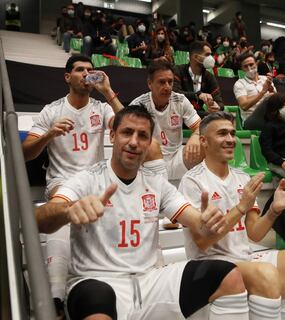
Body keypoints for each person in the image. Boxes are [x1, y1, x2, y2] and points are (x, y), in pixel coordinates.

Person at [35, 105, 249, 320]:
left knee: (228, 275)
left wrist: (205, 222)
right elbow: (41, 219)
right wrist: (68, 211)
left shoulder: (157, 184)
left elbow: (196, 222)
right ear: (112, 136)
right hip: (98, 281)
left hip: (150, 281)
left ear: (149, 144)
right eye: (127, 132)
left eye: (143, 136)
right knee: (96, 304)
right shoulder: (87, 178)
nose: (134, 142)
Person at [179, 111, 285, 320]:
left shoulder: (242, 177)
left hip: (245, 258)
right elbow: (202, 242)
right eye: (222, 134)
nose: (231, 139)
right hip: (210, 265)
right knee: (265, 274)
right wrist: (241, 207)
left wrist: (273, 211)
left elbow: (254, 233)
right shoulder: (192, 181)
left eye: (232, 133)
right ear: (203, 141)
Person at [22, 55, 123, 315]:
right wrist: (49, 134)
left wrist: (109, 91)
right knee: (61, 210)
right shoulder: (52, 110)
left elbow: (128, 127)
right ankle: (55, 294)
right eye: (80, 70)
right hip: (63, 180)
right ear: (68, 77)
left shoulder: (101, 109)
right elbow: (25, 153)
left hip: (95, 181)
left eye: (90, 70)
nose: (86, 74)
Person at [130, 59, 203, 181]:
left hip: (176, 157)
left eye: (170, 82)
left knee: (204, 143)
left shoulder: (180, 100)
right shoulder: (139, 105)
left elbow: (201, 126)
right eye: (162, 82)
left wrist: (196, 136)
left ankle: (198, 188)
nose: (167, 87)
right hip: (150, 162)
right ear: (150, 84)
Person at [173, 41, 224, 117]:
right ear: (196, 57)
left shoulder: (209, 76)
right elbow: (175, 93)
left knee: (223, 116)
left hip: (198, 114)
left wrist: (216, 106)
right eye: (207, 55)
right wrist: (197, 95)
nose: (211, 58)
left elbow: (219, 101)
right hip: (179, 113)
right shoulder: (178, 70)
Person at [233, 53, 278, 131]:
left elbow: (278, 101)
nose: (249, 68)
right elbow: (244, 106)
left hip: (270, 116)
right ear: (242, 69)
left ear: (256, 64)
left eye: (251, 64)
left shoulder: (265, 79)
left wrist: (270, 88)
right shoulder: (239, 83)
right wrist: (262, 92)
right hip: (251, 120)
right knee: (269, 97)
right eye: (245, 66)